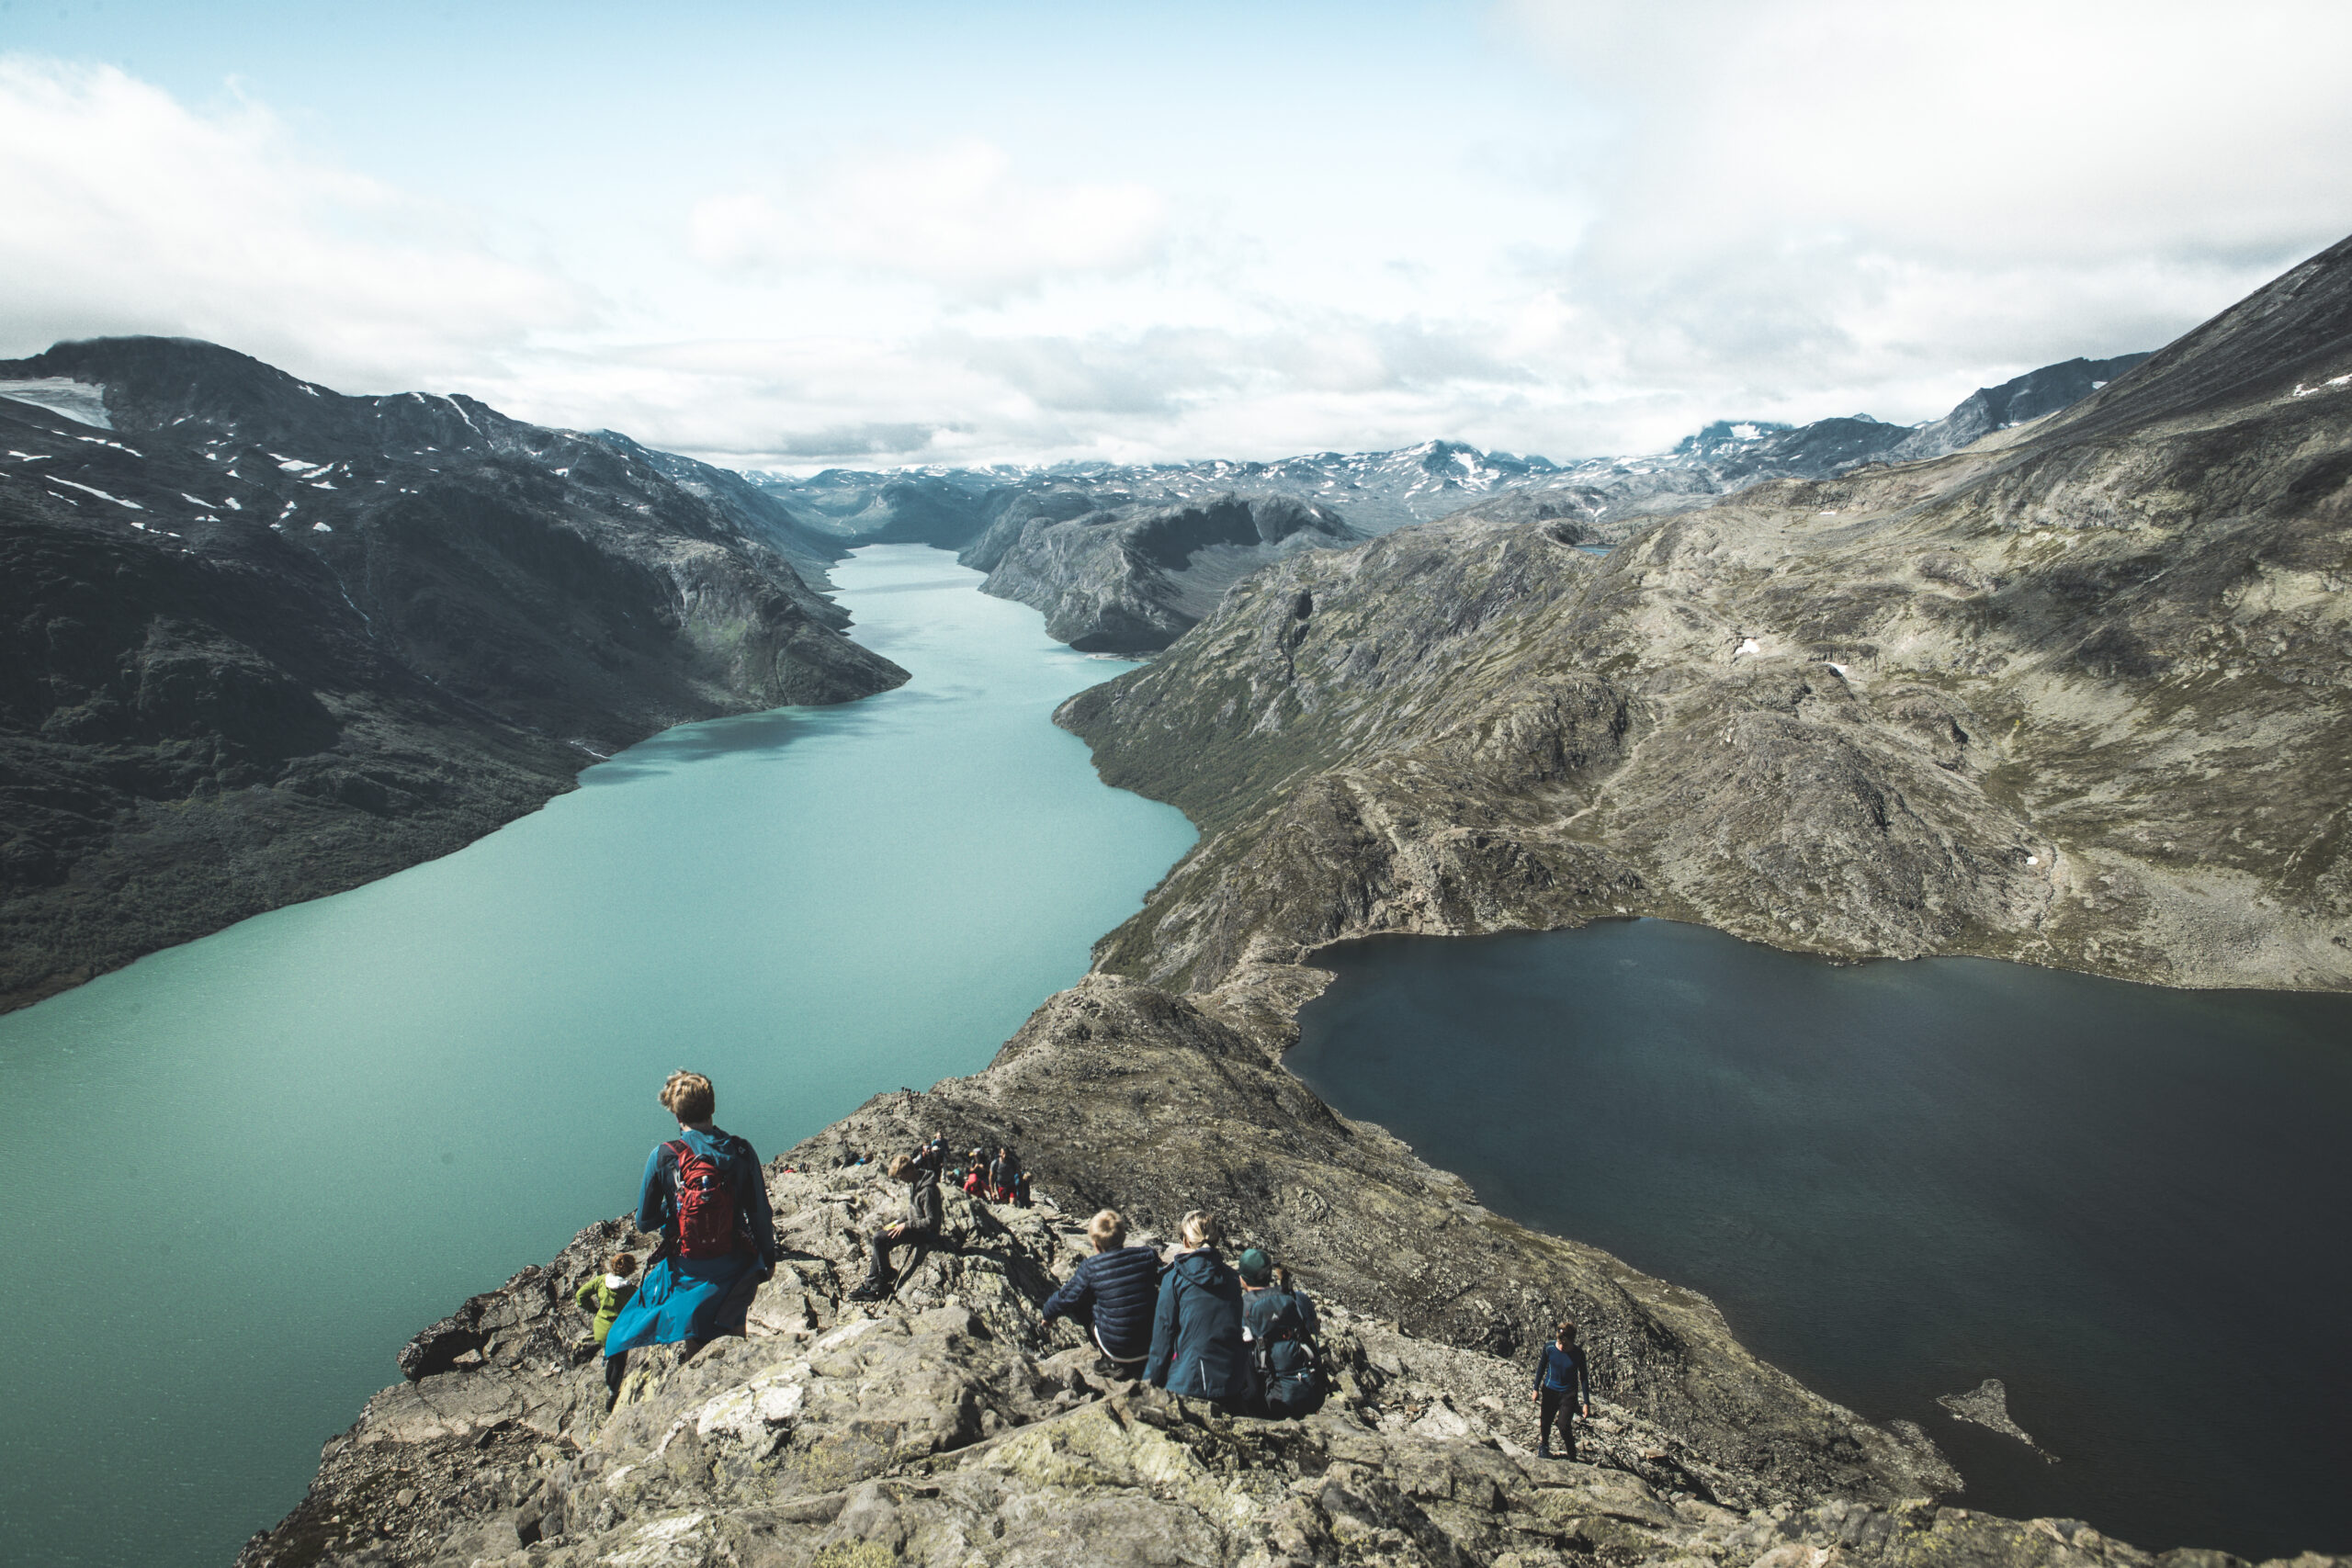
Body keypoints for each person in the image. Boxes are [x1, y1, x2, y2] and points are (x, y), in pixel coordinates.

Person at [603, 1073, 777, 1378]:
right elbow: (760, 1213)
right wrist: (769, 1259)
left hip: (687, 1268)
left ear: (676, 1113)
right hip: (736, 1265)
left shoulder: (664, 1156)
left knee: (696, 1345)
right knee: (734, 1335)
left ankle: (693, 1389)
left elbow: (644, 1222)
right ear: (712, 1106)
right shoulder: (741, 1151)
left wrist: (675, 1208)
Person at [1145, 1211, 1256, 1412]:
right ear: (1216, 1240)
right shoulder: (1232, 1278)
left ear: (1185, 1241)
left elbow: (1163, 1338)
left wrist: (1147, 1386)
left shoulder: (1175, 1278)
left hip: (1189, 1383)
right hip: (1231, 1383)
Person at [1039, 1209, 1162, 1377]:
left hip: (1119, 1349)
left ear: (1095, 1244)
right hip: (1154, 1342)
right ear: (1124, 1237)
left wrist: (1048, 1314)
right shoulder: (1146, 1255)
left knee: (1081, 1301)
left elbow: (1066, 1297)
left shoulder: (1090, 1268)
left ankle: (1110, 1360)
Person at [1238, 1248, 1324, 1418]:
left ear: (1242, 1280)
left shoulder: (1242, 1308)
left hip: (1268, 1401)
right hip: (1308, 1390)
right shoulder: (1293, 1299)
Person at [847, 1151, 942, 1301]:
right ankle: (869, 1284)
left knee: (879, 1238)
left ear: (909, 1171)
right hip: (914, 1227)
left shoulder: (927, 1190)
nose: (901, 1180)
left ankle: (883, 1277)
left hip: (926, 1233)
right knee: (880, 1239)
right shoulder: (916, 1183)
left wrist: (906, 1226)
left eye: (901, 1176)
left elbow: (932, 1221)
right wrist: (897, 1222)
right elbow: (913, 1209)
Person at [1529, 1319, 1591, 1458]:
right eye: (1560, 1343)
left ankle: (1572, 1453)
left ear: (1572, 1340)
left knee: (1563, 1426)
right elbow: (1541, 1368)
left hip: (1568, 1394)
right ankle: (1544, 1446)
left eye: (1565, 1344)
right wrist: (1535, 1388)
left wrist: (1586, 1403)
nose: (1562, 1347)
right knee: (1545, 1422)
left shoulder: (1578, 1354)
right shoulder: (1549, 1348)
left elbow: (1584, 1378)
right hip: (1550, 1390)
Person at [574, 1252, 639, 1348]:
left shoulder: (601, 1280)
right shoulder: (631, 1291)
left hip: (600, 1329)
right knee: (617, 1361)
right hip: (618, 1334)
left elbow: (580, 1295)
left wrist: (594, 1310)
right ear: (630, 1270)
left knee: (609, 1356)